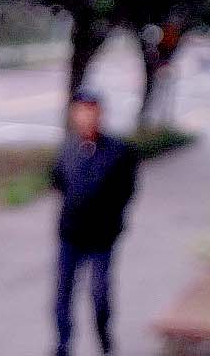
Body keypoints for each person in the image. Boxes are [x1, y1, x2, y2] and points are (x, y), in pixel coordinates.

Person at [49, 91, 138, 356]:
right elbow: (59, 183)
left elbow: (127, 192)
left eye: (91, 110)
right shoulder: (67, 149)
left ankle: (104, 340)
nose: (85, 116)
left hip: (102, 237)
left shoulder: (119, 152)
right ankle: (63, 344)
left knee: (99, 294)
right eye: (80, 110)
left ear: (100, 113)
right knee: (63, 293)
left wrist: (115, 222)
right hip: (70, 235)